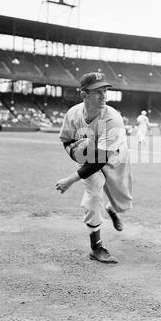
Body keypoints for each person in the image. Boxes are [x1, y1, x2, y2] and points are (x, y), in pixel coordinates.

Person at [55, 72, 133, 264]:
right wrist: (74, 153)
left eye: (105, 90)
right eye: (98, 91)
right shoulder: (73, 114)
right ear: (84, 95)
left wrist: (70, 180)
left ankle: (111, 209)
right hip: (88, 156)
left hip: (114, 154)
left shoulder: (112, 119)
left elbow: (101, 159)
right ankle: (96, 246)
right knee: (94, 191)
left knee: (123, 201)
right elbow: (66, 139)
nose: (104, 96)